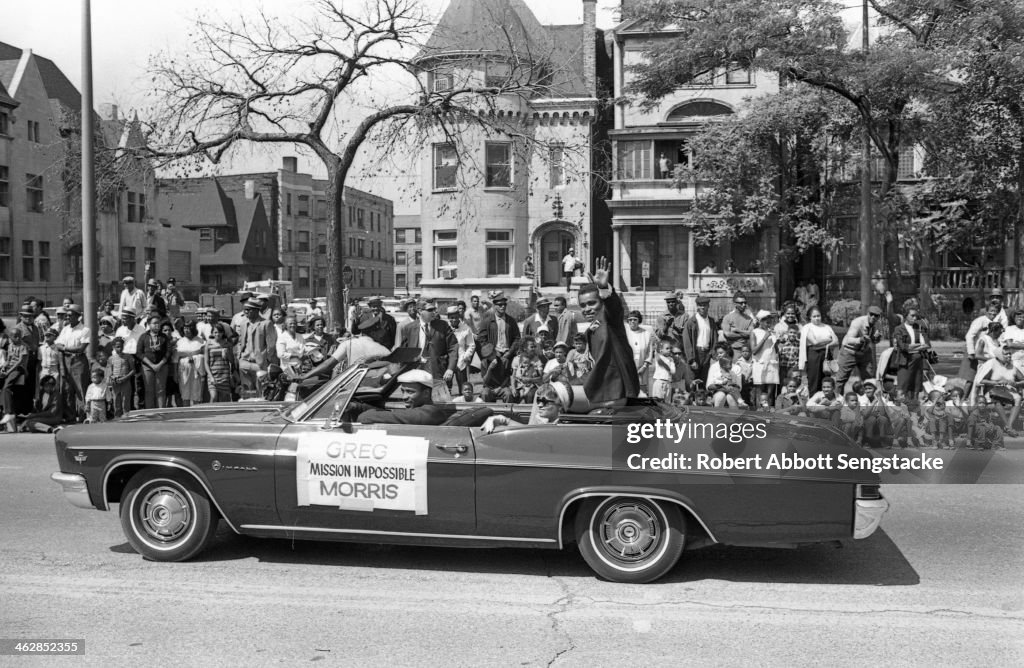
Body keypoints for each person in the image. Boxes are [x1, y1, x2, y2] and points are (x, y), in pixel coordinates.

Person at [577, 256, 640, 403]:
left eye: (592, 303)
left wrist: (604, 289)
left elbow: (614, 308)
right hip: (601, 390)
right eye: (583, 305)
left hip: (617, 391)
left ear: (601, 302)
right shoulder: (592, 328)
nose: (587, 309)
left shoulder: (609, 319)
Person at [352, 370, 451, 425]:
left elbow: (366, 417)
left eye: (410, 392)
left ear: (425, 393)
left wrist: (364, 414)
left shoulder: (431, 413)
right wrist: (358, 407)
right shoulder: (421, 411)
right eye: (403, 391)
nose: (404, 397)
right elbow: (392, 414)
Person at [398, 300, 458, 385]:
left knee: (439, 398)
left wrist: (450, 368)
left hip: (439, 372)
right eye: (429, 310)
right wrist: (403, 374)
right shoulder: (409, 328)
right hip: (417, 371)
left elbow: (453, 346)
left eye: (434, 309)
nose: (433, 312)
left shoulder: (443, 326)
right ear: (420, 311)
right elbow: (404, 353)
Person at [481, 381, 572, 433]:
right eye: (539, 401)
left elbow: (532, 435)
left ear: (560, 405)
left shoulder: (562, 429)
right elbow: (527, 431)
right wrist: (503, 420)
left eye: (545, 402)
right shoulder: (547, 423)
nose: (539, 405)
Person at [834, 306, 884, 393]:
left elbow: (874, 340)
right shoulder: (857, 322)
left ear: (879, 317)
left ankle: (868, 402)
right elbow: (848, 340)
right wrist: (860, 339)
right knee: (840, 380)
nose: (873, 317)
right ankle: (838, 402)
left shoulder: (878, 324)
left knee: (869, 380)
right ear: (868, 314)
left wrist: (877, 338)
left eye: (876, 315)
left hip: (864, 352)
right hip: (849, 351)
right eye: (871, 314)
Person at [55, 304, 91, 422]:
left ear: (78, 316)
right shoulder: (65, 329)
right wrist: (65, 350)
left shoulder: (85, 330)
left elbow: (81, 348)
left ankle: (82, 416)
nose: (67, 317)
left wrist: (65, 349)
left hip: (78, 361)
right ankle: (70, 417)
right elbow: (57, 344)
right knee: (67, 390)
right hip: (66, 360)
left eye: (70, 315)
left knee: (80, 389)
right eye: (66, 315)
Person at [475, 291, 521, 381]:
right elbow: (481, 339)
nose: (502, 306)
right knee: (493, 379)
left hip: (508, 354)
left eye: (504, 304)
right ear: (494, 306)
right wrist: (492, 352)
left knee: (508, 379)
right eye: (500, 305)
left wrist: (509, 353)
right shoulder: (487, 321)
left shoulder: (511, 321)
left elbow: (517, 338)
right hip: (493, 355)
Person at [798, 306, 838, 396]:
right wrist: (828, 340)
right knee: (814, 380)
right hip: (814, 355)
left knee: (826, 381)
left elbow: (836, 341)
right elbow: (814, 342)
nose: (817, 318)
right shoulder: (807, 328)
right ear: (810, 317)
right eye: (814, 316)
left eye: (818, 316)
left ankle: (826, 402)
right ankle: (813, 404)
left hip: (826, 355)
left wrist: (827, 344)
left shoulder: (827, 327)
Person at [681, 296, 718, 390]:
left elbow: (714, 338)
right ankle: (689, 402)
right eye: (700, 305)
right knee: (691, 381)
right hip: (695, 353)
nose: (702, 307)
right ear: (697, 307)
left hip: (706, 354)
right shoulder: (691, 322)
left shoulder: (711, 321)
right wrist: (691, 359)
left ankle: (701, 403)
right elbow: (687, 342)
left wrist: (712, 353)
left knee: (704, 381)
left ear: (708, 306)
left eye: (704, 305)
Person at [892, 308, 931, 397]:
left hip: (918, 361)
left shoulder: (919, 327)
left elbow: (927, 344)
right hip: (905, 361)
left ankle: (913, 408)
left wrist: (912, 347)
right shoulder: (899, 329)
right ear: (906, 316)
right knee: (902, 388)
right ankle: (900, 408)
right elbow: (903, 346)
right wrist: (919, 346)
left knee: (915, 389)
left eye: (916, 316)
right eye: (912, 315)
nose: (914, 318)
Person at [137, 314, 172, 409]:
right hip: (147, 367)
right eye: (154, 323)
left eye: (158, 323)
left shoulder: (164, 337)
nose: (157, 325)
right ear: (149, 324)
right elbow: (139, 353)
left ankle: (161, 412)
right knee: (149, 390)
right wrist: (151, 365)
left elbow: (168, 352)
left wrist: (160, 364)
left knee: (160, 390)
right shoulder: (143, 337)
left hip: (162, 366)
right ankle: (150, 412)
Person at [236, 298, 270, 395]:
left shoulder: (266, 324)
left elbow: (270, 346)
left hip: (259, 363)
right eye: (245, 309)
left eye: (248, 309)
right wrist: (240, 356)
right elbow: (241, 341)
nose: (245, 312)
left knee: (261, 392)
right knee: (247, 391)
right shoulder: (243, 323)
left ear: (256, 310)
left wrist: (266, 361)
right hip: (245, 362)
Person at [961, 302, 1000, 384]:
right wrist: (971, 352)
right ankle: (964, 396)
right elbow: (969, 335)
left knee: (984, 377)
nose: (993, 313)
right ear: (986, 311)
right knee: (971, 377)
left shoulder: (995, 322)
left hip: (986, 352)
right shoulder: (980, 320)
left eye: (995, 311)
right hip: (975, 350)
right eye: (991, 310)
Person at [0, 328, 30, 428]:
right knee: (4, 389)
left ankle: (8, 412)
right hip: (10, 368)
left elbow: (19, 362)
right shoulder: (10, 345)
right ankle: (6, 410)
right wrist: (3, 367)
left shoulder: (23, 346)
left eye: (17, 336)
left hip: (19, 369)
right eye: (13, 336)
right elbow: (8, 360)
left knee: (6, 387)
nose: (15, 338)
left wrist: (8, 372)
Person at [445, 305, 476, 391]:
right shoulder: (445, 328)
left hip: (461, 360)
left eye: (455, 317)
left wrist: (465, 357)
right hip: (448, 360)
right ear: (448, 318)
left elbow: (471, 345)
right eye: (451, 318)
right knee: (447, 387)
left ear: (459, 316)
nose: (454, 320)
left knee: (463, 386)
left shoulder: (466, 329)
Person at [205, 324, 237, 402]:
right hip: (212, 375)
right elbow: (206, 363)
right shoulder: (208, 344)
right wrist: (210, 376)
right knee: (213, 397)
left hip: (224, 376)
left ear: (223, 333)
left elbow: (232, 361)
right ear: (212, 333)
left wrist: (228, 353)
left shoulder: (227, 344)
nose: (217, 334)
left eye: (219, 332)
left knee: (224, 400)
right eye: (215, 332)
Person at [176, 321, 206, 407]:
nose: (186, 330)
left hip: (197, 370)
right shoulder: (180, 341)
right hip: (184, 370)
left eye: (189, 328)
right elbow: (177, 355)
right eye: (185, 328)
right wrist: (193, 353)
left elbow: (203, 352)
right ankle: (186, 411)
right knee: (185, 391)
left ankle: (196, 410)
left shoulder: (200, 340)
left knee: (196, 391)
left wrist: (195, 358)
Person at [625, 311, 655, 393]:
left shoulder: (646, 334)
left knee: (641, 392)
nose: (632, 322)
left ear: (639, 321)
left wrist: (644, 367)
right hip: (627, 369)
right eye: (630, 320)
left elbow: (650, 352)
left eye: (635, 319)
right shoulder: (624, 334)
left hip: (642, 370)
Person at [106, 337, 135, 417]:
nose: (120, 348)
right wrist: (112, 378)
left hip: (125, 382)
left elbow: (133, 370)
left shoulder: (128, 357)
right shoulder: (111, 358)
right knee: (116, 400)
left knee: (126, 400)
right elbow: (109, 371)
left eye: (121, 346)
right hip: (115, 383)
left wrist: (124, 378)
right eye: (118, 347)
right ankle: (117, 417)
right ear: (113, 347)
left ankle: (126, 416)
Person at [511, 337, 545, 403]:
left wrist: (529, 380)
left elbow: (540, 378)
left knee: (530, 395)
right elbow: (513, 376)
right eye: (531, 347)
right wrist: (513, 388)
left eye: (535, 347)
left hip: (533, 386)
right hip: (519, 385)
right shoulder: (517, 359)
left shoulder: (537, 360)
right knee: (510, 394)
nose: (534, 349)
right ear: (525, 348)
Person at [999, 309, 1024, 374]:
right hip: (1014, 360)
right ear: (1014, 318)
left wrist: (1017, 344)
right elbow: (1009, 344)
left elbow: (1013, 344)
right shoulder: (1010, 329)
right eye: (1018, 317)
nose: (1020, 319)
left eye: (1022, 317)